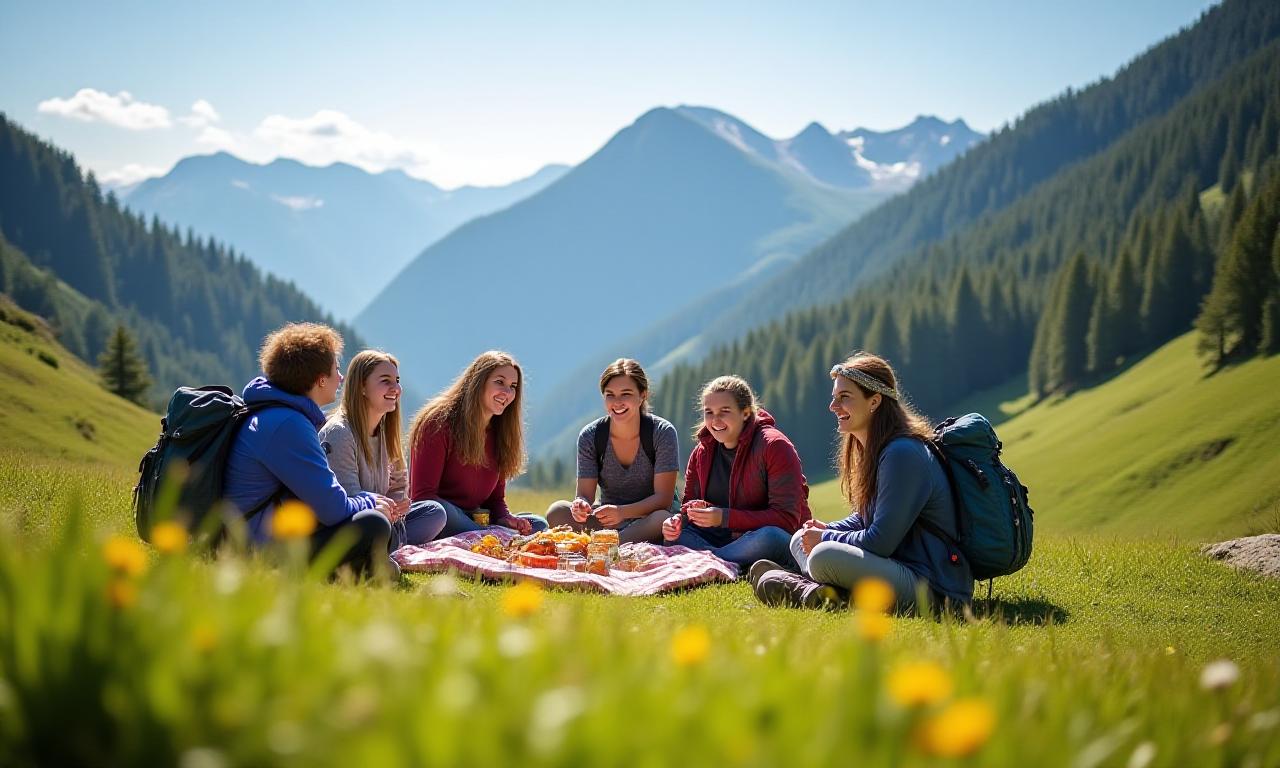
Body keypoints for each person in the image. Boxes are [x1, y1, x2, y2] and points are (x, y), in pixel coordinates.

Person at [751, 352, 973, 611]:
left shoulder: (902, 453)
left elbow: (880, 541)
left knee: (824, 555)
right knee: (799, 537)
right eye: (834, 397)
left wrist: (826, 536)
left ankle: (811, 590)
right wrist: (826, 529)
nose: (833, 406)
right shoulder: (879, 449)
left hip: (934, 587)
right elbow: (866, 517)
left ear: (875, 401)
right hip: (897, 567)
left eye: (844, 397)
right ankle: (821, 592)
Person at [223, 322, 403, 579]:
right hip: (260, 549)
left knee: (376, 527)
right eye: (337, 370)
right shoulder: (289, 425)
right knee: (374, 524)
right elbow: (334, 509)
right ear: (320, 380)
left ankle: (364, 568)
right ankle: (363, 569)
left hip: (263, 533)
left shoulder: (278, 415)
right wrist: (371, 501)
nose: (341, 378)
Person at [661, 375, 810, 569]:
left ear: (746, 413)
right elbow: (688, 505)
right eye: (709, 412)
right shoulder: (701, 452)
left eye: (724, 412)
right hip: (722, 540)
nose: (715, 420)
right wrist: (678, 521)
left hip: (766, 538)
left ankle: (711, 560)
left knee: (768, 537)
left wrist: (724, 517)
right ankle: (724, 559)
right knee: (677, 535)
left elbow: (786, 520)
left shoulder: (774, 446)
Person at [407, 350, 548, 538]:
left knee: (538, 524)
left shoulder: (501, 432)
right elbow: (422, 497)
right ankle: (486, 536)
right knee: (437, 512)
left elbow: (495, 500)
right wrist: (477, 527)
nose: (507, 392)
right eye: (499, 382)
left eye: (513, 386)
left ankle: (486, 535)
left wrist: (507, 518)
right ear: (478, 382)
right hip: (441, 517)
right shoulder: (437, 422)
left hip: (476, 518)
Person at [319, 350, 445, 548]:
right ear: (361, 387)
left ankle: (389, 545)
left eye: (397, 380)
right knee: (375, 523)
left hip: (387, 519)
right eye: (386, 381)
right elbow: (346, 500)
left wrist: (396, 504)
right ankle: (388, 546)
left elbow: (399, 484)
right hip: (356, 522)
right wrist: (383, 508)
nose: (397, 388)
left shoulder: (386, 432)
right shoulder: (339, 433)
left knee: (435, 512)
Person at [545, 359, 679, 544]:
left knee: (662, 518)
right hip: (607, 521)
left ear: (642, 395)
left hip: (648, 521)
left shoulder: (662, 432)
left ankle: (604, 545)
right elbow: (585, 494)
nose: (617, 402)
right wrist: (580, 506)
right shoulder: (590, 436)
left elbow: (663, 500)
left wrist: (622, 512)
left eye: (626, 394)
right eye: (610, 395)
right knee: (557, 511)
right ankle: (611, 543)